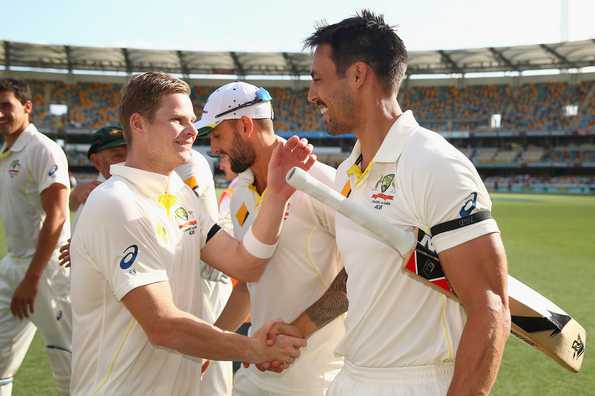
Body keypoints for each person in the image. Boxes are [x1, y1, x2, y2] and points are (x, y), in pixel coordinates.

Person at [267, 10, 510, 396]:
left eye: (318, 79)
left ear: (358, 75)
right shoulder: (349, 169)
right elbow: (362, 274)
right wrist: (301, 326)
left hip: (416, 381)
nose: (311, 94)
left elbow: (490, 306)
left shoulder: (434, 163)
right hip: (352, 377)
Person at [69, 72, 312, 396]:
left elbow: (246, 264)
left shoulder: (179, 194)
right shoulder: (117, 203)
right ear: (138, 124)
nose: (192, 131)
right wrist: (253, 349)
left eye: (192, 120)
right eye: (177, 120)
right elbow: (162, 325)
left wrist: (277, 194)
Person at [196, 81, 344, 396]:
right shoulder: (238, 193)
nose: (213, 149)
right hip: (256, 373)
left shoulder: (319, 183)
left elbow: (364, 269)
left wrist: (300, 329)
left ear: (246, 125)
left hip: (316, 381)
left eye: (218, 135)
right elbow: (251, 284)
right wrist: (211, 343)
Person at [0, 78, 72, 396]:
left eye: (6, 105)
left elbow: (57, 215)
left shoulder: (42, 149)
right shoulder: (8, 151)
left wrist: (33, 277)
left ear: (27, 107)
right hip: (13, 264)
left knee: (66, 362)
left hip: (46, 271)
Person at [70, 125, 127, 227]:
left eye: (130, 153)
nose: (126, 160)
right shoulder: (91, 196)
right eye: (118, 155)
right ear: (96, 161)